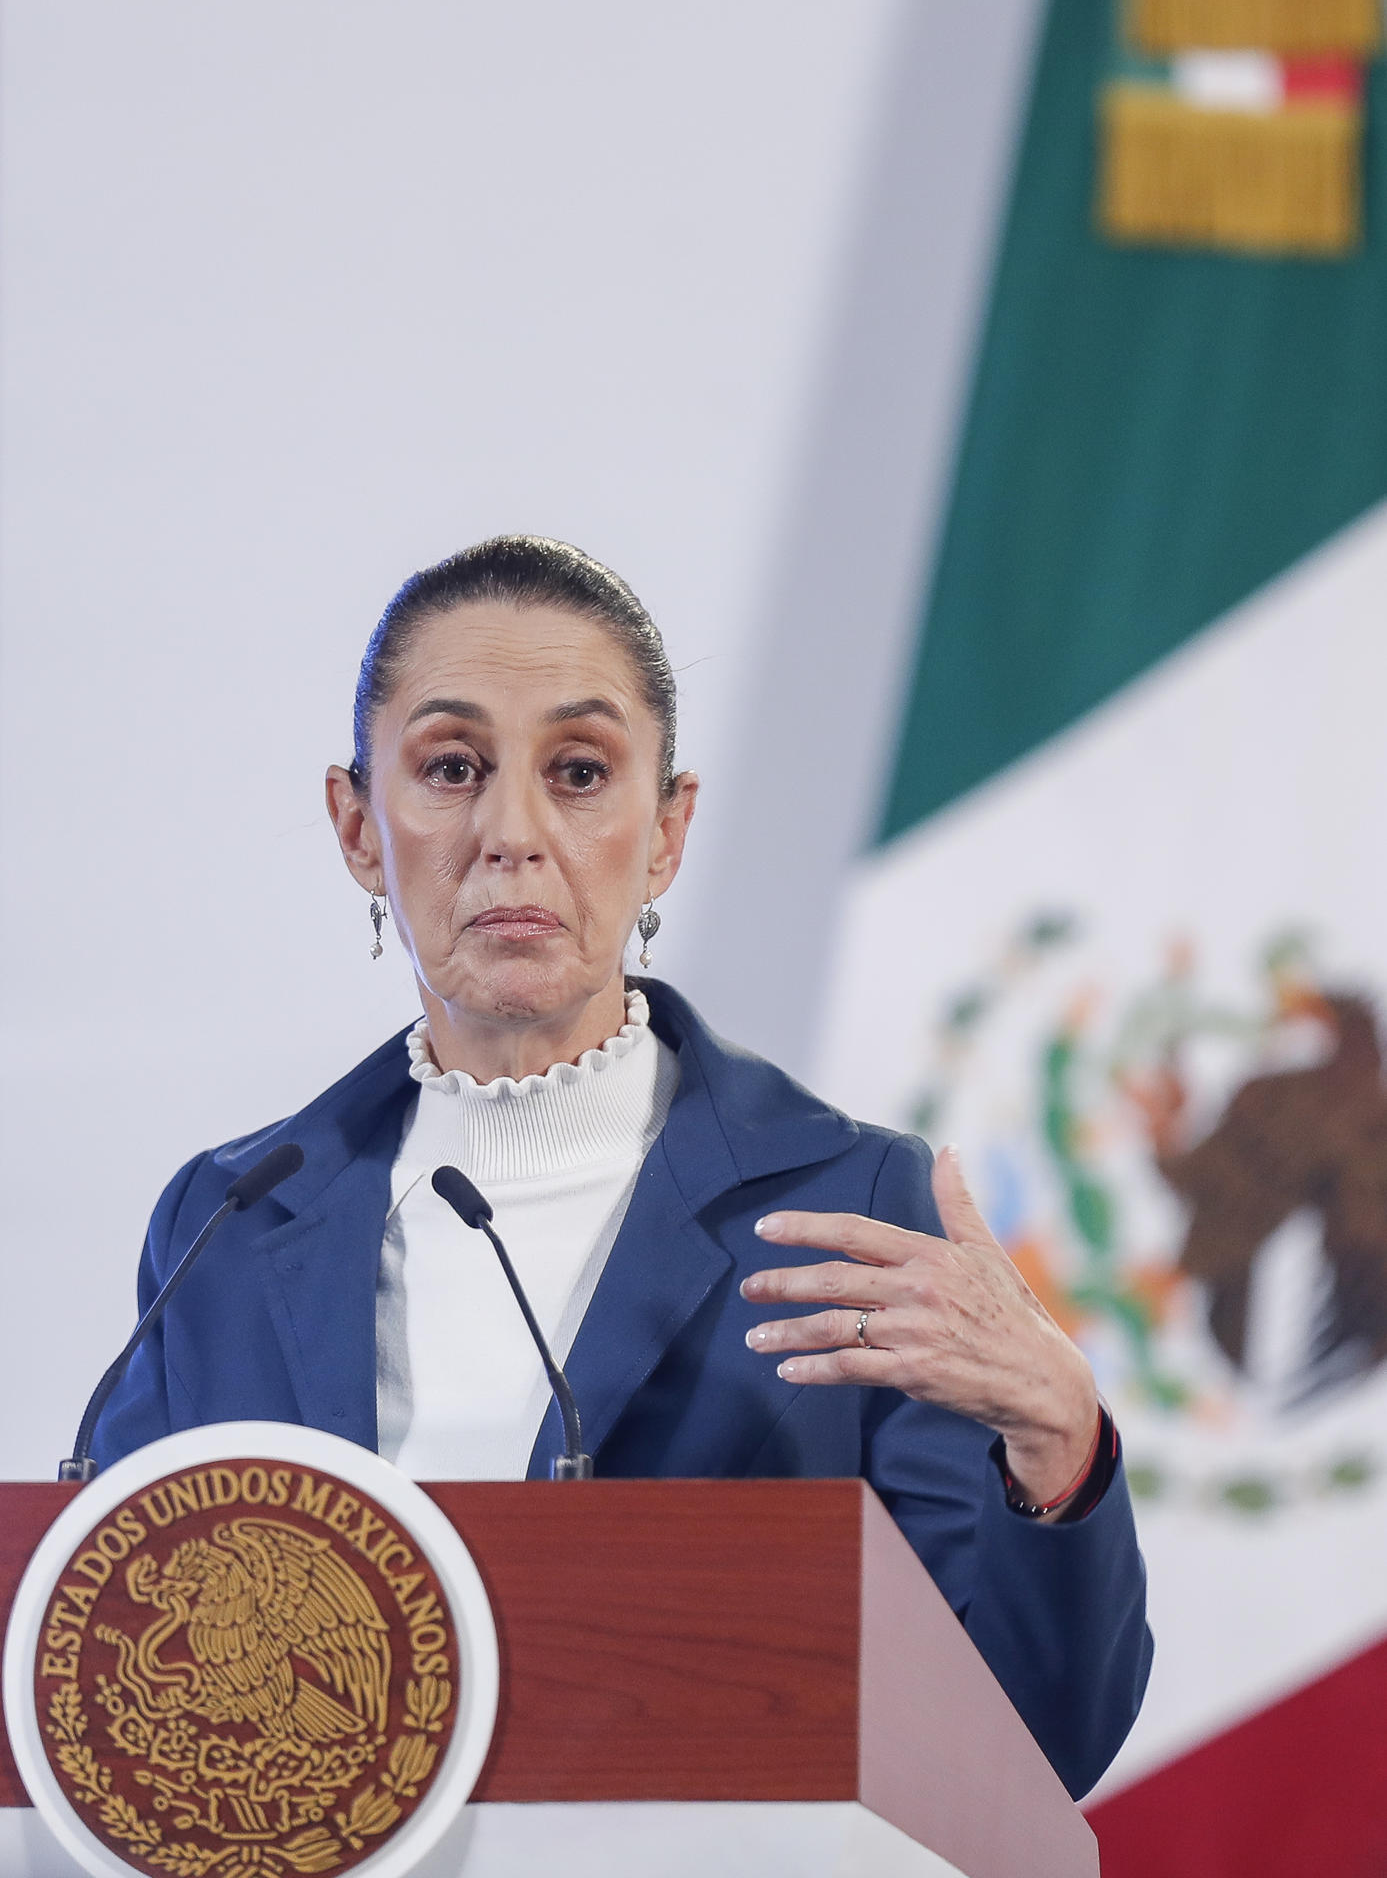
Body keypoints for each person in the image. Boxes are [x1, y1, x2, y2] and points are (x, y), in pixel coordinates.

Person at [94, 535, 1152, 1799]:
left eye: (580, 772)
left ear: (664, 831)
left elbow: (1034, 1750)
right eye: (449, 768)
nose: (512, 834)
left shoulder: (852, 1211)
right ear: (358, 827)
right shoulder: (226, 1225)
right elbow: (103, 1674)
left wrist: (1058, 1441)